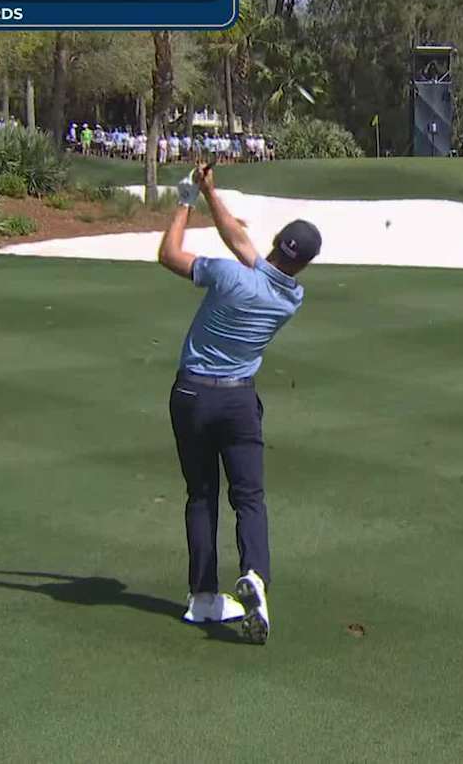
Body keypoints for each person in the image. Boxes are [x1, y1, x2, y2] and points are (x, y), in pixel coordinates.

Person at [157, 162, 322, 645]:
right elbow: (238, 240)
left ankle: (204, 598)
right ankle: (255, 574)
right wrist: (211, 191)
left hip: (190, 396)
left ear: (274, 243)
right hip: (238, 403)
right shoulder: (290, 296)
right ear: (303, 263)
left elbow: (169, 254)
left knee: (201, 495)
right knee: (248, 497)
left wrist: (187, 199)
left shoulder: (228, 275)